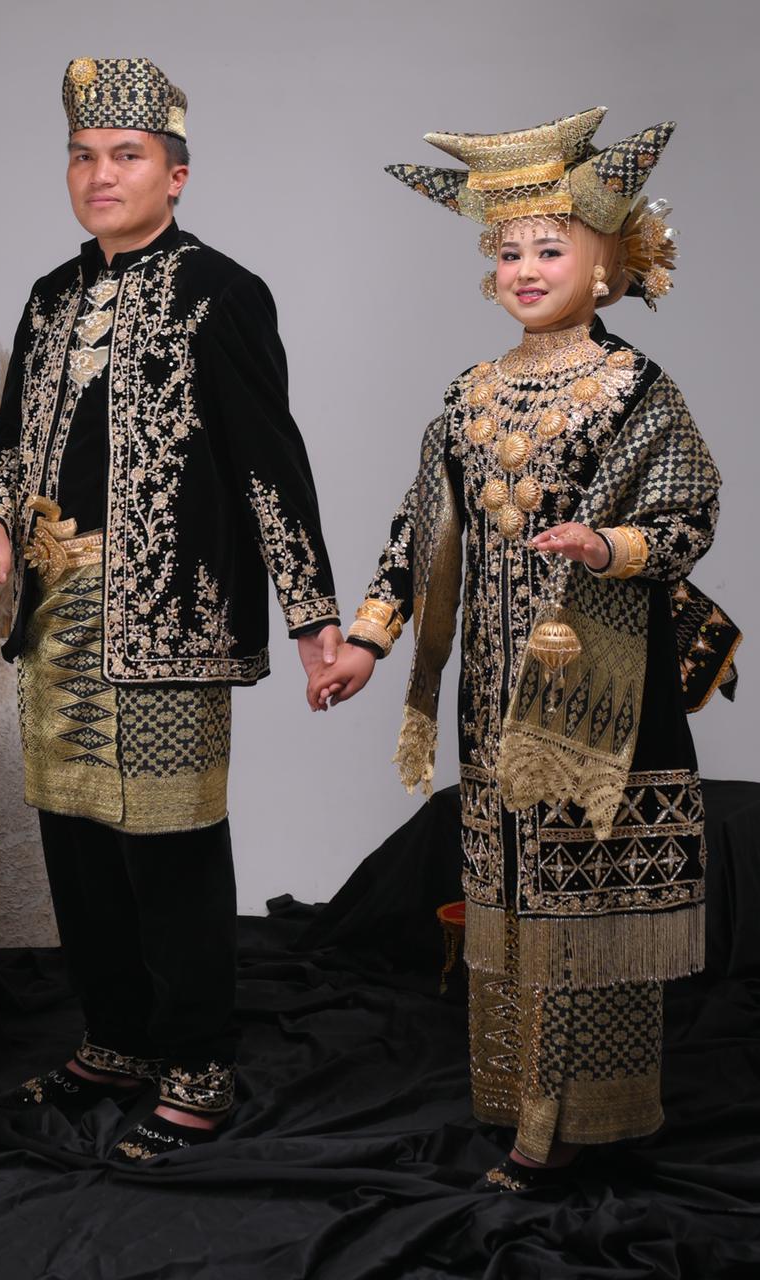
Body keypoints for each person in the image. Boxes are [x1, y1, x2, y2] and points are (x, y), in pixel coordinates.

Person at [309, 109, 738, 1190]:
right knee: (511, 888)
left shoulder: (635, 389)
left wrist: (607, 543)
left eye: (550, 247)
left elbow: (690, 511)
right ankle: (518, 1095)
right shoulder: (468, 395)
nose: (526, 268)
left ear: (607, 263)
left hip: (599, 686)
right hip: (492, 693)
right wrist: (367, 641)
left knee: (580, 899)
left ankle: (572, 1116)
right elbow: (419, 532)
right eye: (508, 251)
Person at [0, 57, 341, 1161]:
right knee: (76, 841)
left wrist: (312, 617)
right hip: (53, 614)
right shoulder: (50, 296)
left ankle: (197, 1069)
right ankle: (115, 1040)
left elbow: (270, 463)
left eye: (125, 156)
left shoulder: (222, 291)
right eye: (83, 156)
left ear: (176, 174)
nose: (100, 175)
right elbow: (8, 443)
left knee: (168, 848)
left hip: (170, 614)